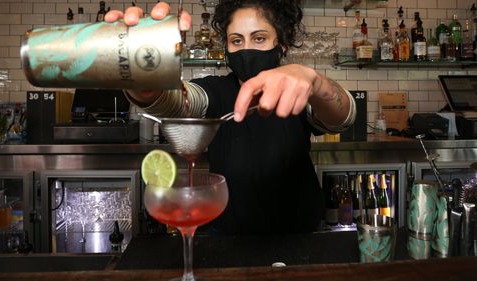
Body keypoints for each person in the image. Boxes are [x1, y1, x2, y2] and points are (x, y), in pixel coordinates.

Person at [105, 0, 356, 235]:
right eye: (236, 40)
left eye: (259, 38)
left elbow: (343, 117)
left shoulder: (299, 89)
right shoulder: (215, 90)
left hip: (300, 235)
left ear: (282, 45)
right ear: (226, 46)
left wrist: (314, 81)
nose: (246, 49)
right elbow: (179, 101)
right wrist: (144, 80)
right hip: (226, 238)